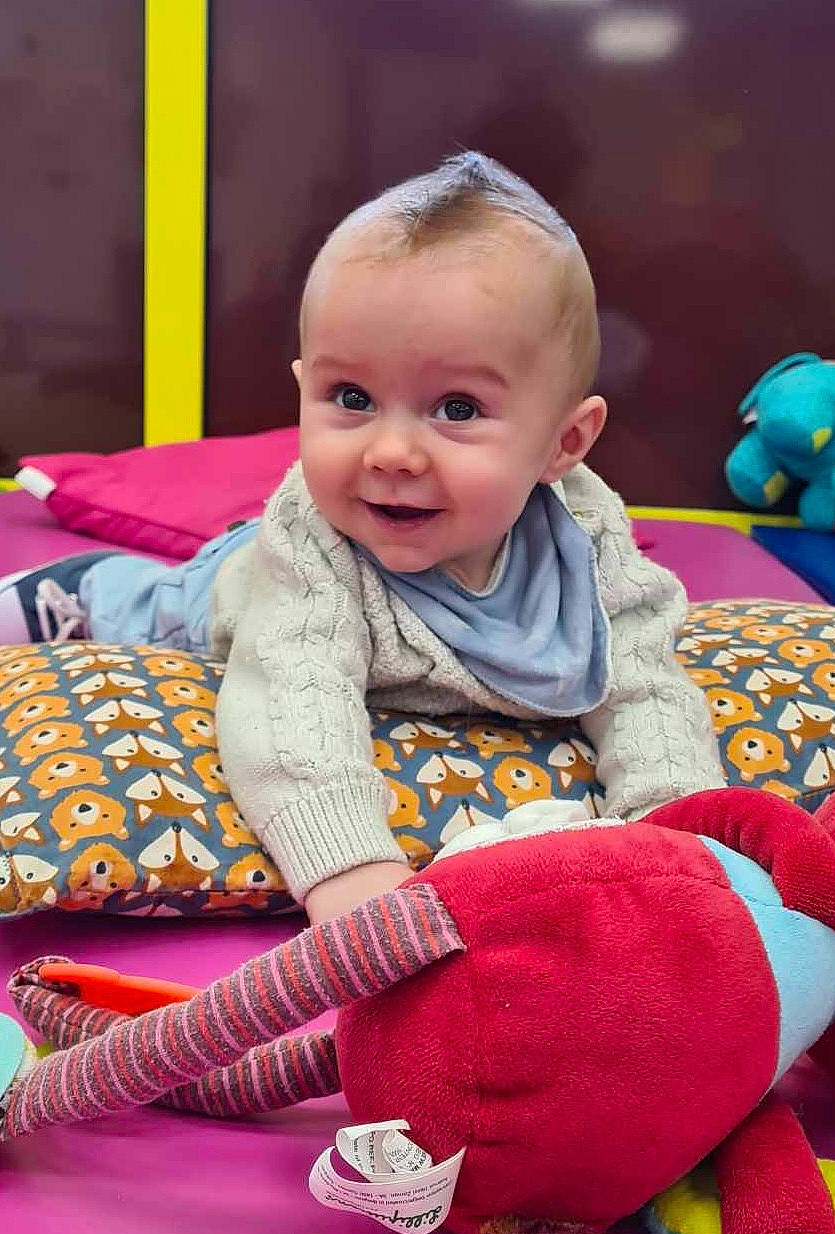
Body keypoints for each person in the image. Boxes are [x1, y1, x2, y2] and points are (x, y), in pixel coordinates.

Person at [0, 153, 725, 924]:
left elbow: (645, 683)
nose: (391, 453)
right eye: (352, 397)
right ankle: (76, 591)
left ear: (563, 443)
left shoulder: (586, 540)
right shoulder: (313, 545)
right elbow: (288, 706)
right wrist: (351, 872)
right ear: (304, 388)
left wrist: (684, 832)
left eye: (456, 409)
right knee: (165, 604)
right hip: (243, 591)